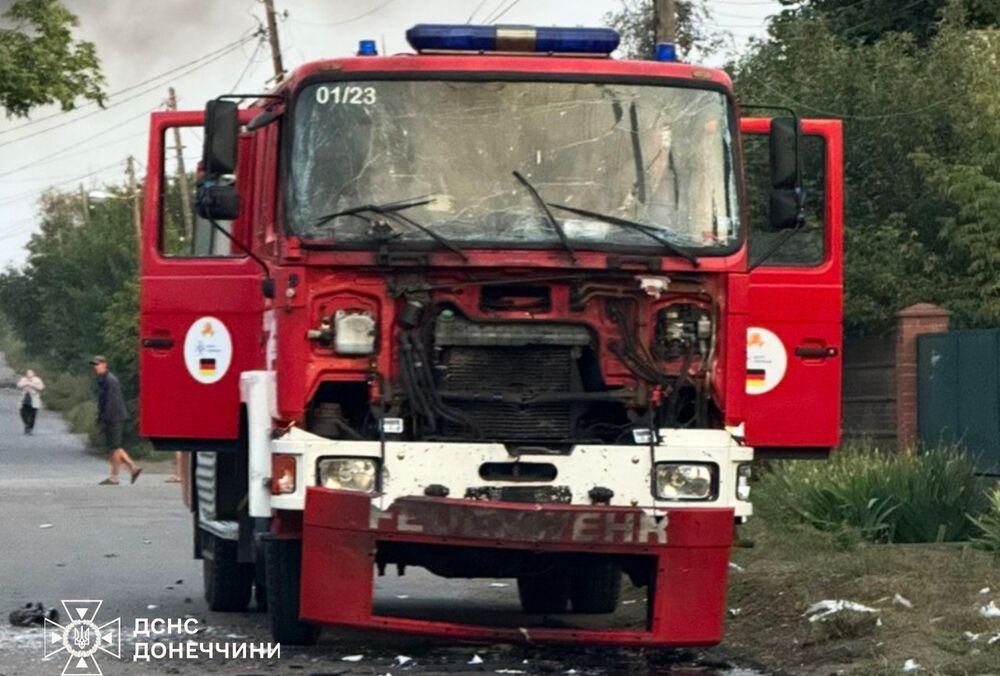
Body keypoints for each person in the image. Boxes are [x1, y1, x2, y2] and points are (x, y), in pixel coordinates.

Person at [91, 356, 142, 486]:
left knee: (115, 447)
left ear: (105, 364)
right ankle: (126, 471)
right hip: (112, 417)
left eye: (98, 364)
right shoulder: (103, 380)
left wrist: (105, 419)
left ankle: (121, 474)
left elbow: (112, 402)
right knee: (115, 447)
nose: (95, 367)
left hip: (114, 417)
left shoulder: (110, 380)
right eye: (94, 364)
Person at [16, 369, 44, 434]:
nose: (29, 376)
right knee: (23, 414)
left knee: (32, 416)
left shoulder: (37, 380)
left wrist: (32, 385)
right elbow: (19, 385)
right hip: (24, 400)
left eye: (30, 374)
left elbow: (41, 387)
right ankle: (26, 424)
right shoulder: (23, 379)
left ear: (33, 374)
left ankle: (30, 428)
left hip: (34, 401)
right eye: (28, 374)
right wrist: (26, 383)